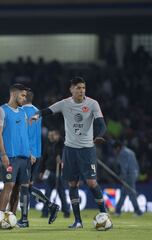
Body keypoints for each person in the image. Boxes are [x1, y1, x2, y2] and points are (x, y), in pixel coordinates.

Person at [32, 76, 107, 229]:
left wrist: (99, 136)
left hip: (87, 150)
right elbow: (48, 110)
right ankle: (78, 221)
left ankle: (105, 215)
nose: (81, 91)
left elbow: (102, 125)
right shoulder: (65, 104)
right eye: (78, 88)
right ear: (71, 89)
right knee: (72, 184)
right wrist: (37, 115)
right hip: (70, 150)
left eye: (83, 88)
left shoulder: (93, 104)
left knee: (92, 183)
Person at [8, 90, 59, 227]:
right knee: (27, 186)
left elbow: (26, 134)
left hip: (27, 154)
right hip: (37, 153)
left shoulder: (22, 111)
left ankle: (24, 219)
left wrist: (28, 152)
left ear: (23, 98)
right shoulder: (38, 111)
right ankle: (50, 205)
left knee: (23, 187)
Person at [39, 129, 70, 218]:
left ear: (57, 135)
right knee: (47, 193)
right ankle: (45, 212)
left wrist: (61, 160)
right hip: (49, 171)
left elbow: (67, 157)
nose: (50, 137)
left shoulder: (63, 144)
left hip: (59, 172)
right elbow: (44, 157)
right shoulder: (48, 143)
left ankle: (66, 211)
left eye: (51, 135)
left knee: (62, 193)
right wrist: (41, 170)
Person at [113, 141, 143, 216]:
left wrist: (122, 176)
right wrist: (137, 174)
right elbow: (136, 164)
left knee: (131, 193)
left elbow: (124, 167)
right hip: (134, 174)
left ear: (118, 148)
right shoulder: (130, 151)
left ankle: (138, 211)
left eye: (115, 149)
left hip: (129, 175)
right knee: (124, 193)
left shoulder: (122, 153)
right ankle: (117, 211)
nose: (114, 151)